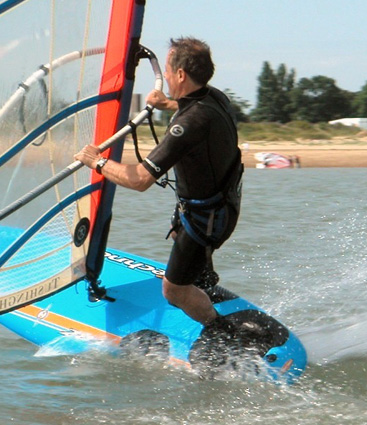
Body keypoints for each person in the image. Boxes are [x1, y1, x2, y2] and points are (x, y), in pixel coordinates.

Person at [74, 37, 242, 330]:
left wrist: (96, 162)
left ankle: (220, 332)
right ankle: (204, 283)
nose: (164, 75)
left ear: (180, 75)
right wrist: (166, 103)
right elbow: (192, 107)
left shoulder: (188, 125)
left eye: (167, 69)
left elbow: (139, 180)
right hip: (222, 205)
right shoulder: (216, 98)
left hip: (207, 220)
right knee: (179, 234)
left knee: (172, 290)